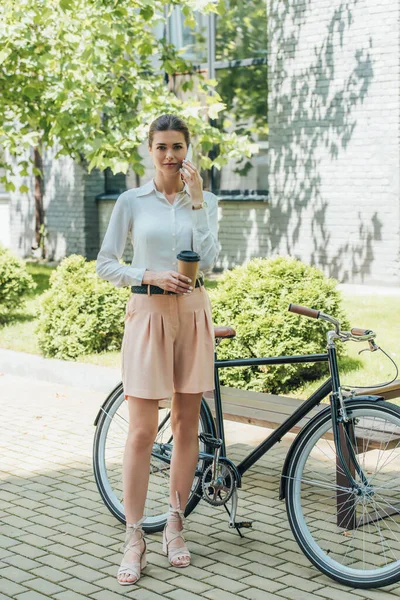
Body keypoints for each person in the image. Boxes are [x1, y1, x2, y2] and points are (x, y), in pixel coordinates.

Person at [96, 114, 221, 586]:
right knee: (142, 432)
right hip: (147, 315)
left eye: (179, 146)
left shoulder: (204, 200)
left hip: (192, 312)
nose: (172, 155)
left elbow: (208, 259)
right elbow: (105, 264)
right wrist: (146, 275)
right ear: (149, 149)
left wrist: (195, 203)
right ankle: (134, 536)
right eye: (163, 146)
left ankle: (174, 524)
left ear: (189, 149)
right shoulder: (131, 201)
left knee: (188, 422)